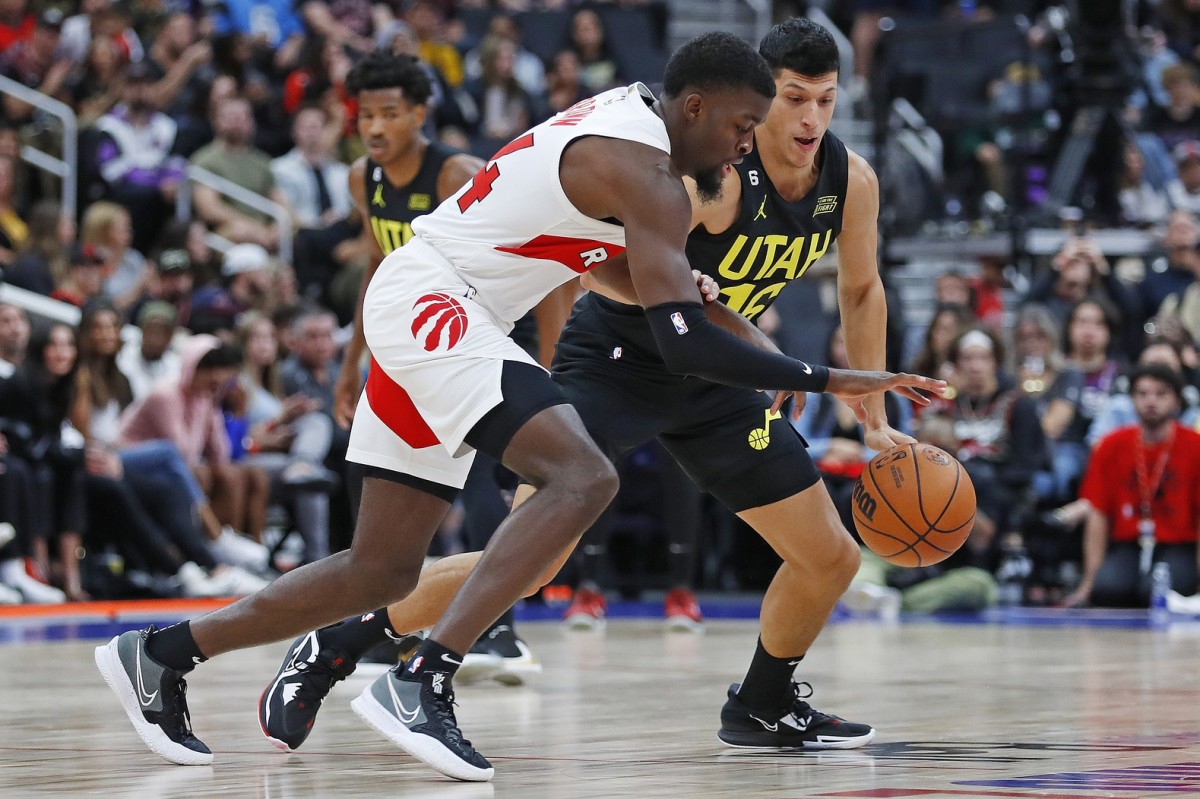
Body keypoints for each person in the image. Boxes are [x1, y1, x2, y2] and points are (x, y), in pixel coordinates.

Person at [97, 31, 939, 781]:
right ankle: (420, 678)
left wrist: (680, 287)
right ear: (696, 105)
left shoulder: (642, 137)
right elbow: (681, 341)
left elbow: (599, 262)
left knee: (379, 569)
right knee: (583, 477)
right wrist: (832, 380)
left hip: (430, 304)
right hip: (444, 305)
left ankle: (162, 653)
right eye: (741, 125)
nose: (745, 145)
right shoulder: (645, 170)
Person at [1062, 364, 1200, 608]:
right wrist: (1088, 583)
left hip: (1177, 543)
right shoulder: (1111, 445)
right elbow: (1098, 515)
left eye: (1161, 394)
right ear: (1131, 399)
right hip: (1129, 541)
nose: (1151, 401)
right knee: (1107, 590)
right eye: (1143, 393)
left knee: (1156, 592)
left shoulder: (1194, 446)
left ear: (1177, 401)